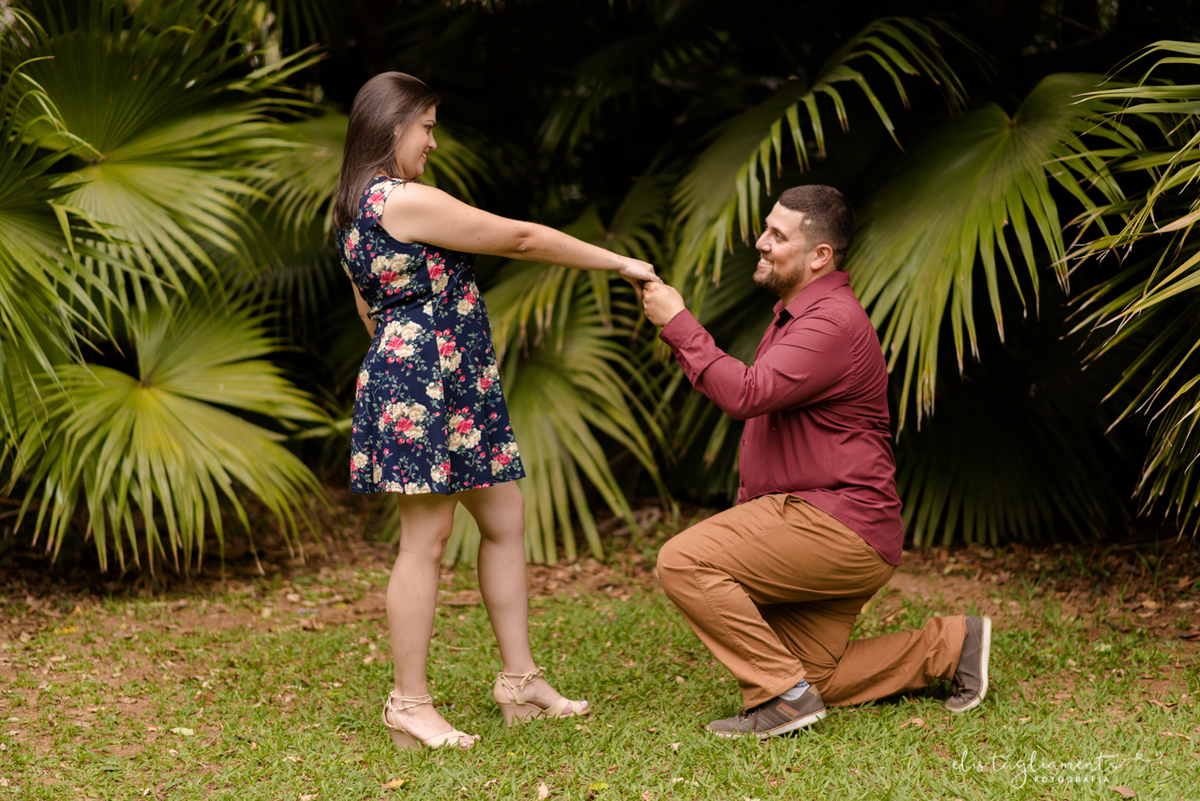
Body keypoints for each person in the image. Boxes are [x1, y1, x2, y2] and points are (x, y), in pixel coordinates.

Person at [333, 72, 659, 750]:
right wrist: (619, 261)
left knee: (503, 516)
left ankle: (519, 680)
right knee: (425, 540)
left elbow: (372, 312)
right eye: (426, 125)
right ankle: (408, 704)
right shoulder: (401, 198)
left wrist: (419, 367)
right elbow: (519, 239)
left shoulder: (351, 211)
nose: (433, 139)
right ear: (393, 127)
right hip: (430, 381)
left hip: (439, 377)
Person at [641, 185, 991, 739]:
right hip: (838, 524)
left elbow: (746, 394)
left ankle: (783, 698)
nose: (761, 242)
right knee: (815, 674)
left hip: (836, 524)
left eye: (778, 236)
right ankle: (952, 645)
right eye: (766, 228)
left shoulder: (830, 323)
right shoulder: (800, 315)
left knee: (684, 560)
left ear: (820, 255)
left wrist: (678, 321)